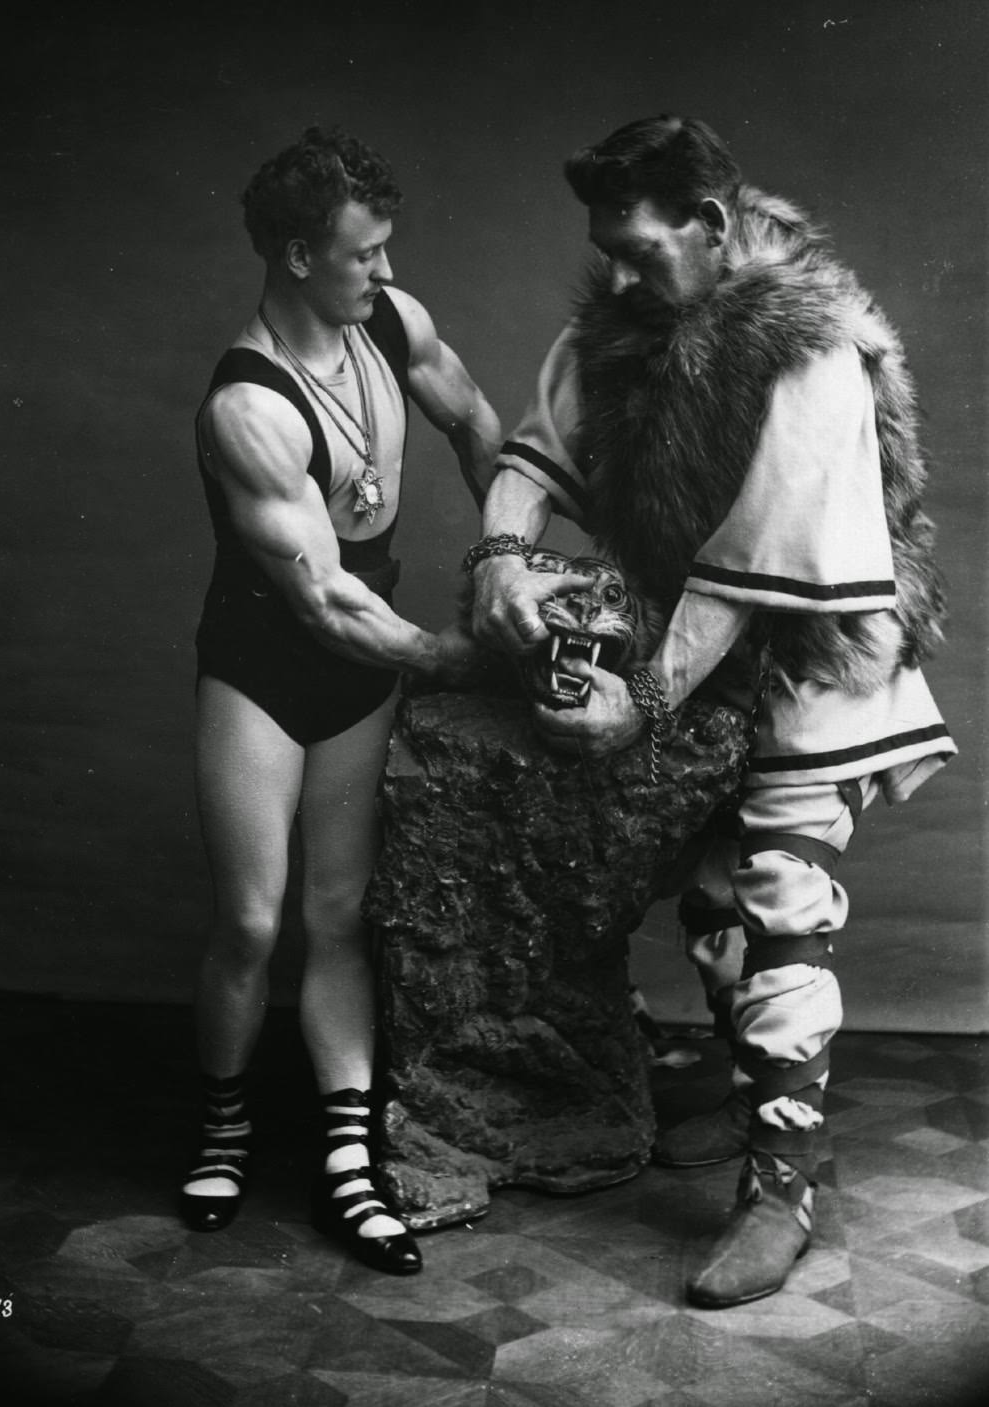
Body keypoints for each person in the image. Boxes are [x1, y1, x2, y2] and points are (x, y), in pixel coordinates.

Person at [468, 115, 956, 1307]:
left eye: (641, 248)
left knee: (776, 896)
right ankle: (762, 1114)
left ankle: (781, 1183)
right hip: (692, 652)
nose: (621, 274)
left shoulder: (813, 350)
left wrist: (639, 705)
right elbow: (539, 454)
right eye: (609, 251)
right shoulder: (626, 325)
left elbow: (756, 568)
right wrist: (497, 557)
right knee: (712, 905)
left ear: (712, 225)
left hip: (808, 662)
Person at [181, 125, 506, 1277]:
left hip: (369, 651)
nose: (383, 268)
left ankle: (347, 1161)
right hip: (268, 661)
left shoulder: (392, 320)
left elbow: (475, 426)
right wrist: (460, 657)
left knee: (337, 916)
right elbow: (319, 600)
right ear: (296, 254)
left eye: (385, 247)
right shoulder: (249, 404)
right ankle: (221, 1129)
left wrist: (507, 558)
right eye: (363, 252)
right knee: (253, 922)